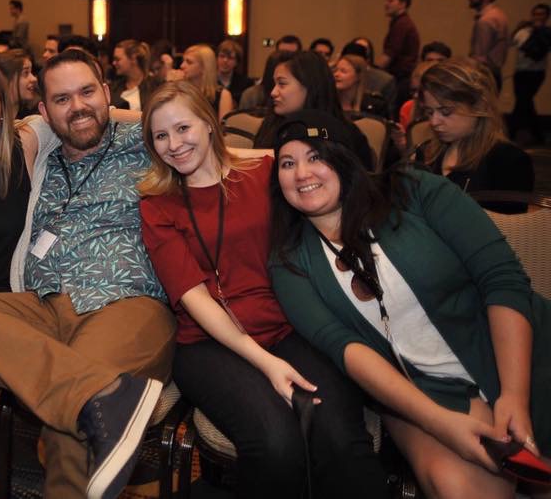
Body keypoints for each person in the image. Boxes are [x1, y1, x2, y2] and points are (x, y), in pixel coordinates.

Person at [0, 48, 175, 499]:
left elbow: (224, 150)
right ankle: (100, 396)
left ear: (107, 94)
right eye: (62, 99)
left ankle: (86, 400)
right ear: (43, 110)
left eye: (87, 92)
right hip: (43, 304)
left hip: (124, 302)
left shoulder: (146, 142)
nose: (77, 107)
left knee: (66, 425)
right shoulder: (36, 156)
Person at [268, 109, 551, 499]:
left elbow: (501, 279)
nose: (302, 174)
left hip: (521, 354)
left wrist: (514, 395)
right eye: (287, 163)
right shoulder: (290, 261)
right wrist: (442, 424)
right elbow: (346, 349)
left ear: (344, 156)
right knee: (463, 488)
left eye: (315, 156)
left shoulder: (414, 190)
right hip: (428, 392)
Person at [139, 82, 386, 497]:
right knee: (277, 444)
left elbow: (314, 167)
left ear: (211, 124)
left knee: (342, 439)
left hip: (288, 326)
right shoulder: (157, 204)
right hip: (207, 342)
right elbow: (195, 299)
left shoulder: (265, 175)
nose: (174, 144)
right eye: (160, 136)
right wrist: (267, 364)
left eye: (183, 128)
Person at [417, 59, 533, 211]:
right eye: (429, 112)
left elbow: (507, 230)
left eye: (446, 112)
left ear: (479, 106)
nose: (434, 121)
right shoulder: (426, 153)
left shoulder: (508, 161)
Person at [253, 52, 374, 169]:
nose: (273, 92)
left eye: (282, 83)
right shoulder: (271, 125)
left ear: (310, 86)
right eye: (274, 84)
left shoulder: (345, 134)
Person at [509, 3, 550, 144]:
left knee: (523, 102)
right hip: (521, 72)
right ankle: (538, 135)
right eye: (535, 14)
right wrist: (521, 28)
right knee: (524, 102)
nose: (538, 17)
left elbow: (538, 53)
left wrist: (538, 31)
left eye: (542, 14)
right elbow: (516, 43)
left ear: (547, 17)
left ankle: (511, 132)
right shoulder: (525, 31)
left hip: (536, 73)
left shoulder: (547, 32)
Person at [376, 0, 421, 111]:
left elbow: (390, 53)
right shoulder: (401, 23)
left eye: (391, 1)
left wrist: (373, 71)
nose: (386, 4)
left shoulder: (402, 24)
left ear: (403, 4)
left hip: (400, 79)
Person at [468, 0, 509, 91]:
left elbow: (479, 57)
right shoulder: (500, 15)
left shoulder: (486, 20)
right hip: (494, 73)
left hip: (485, 75)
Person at [173, 44, 233, 119]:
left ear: (204, 67)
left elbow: (223, 128)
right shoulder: (181, 91)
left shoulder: (223, 95)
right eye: (183, 61)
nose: (182, 66)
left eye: (189, 62)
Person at [333, 54, 390, 119]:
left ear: (358, 76)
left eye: (343, 71)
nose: (336, 74)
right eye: (335, 70)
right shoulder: (327, 101)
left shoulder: (374, 106)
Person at [0, 48, 39, 118]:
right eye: (26, 73)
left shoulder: (33, 118)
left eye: (31, 72)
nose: (34, 78)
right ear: (5, 78)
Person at [112, 39, 153, 111]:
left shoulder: (154, 87)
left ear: (133, 58)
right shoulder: (114, 88)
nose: (114, 63)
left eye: (117, 59)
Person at [216, 39, 251, 105]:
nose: (225, 60)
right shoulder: (209, 81)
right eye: (222, 56)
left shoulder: (246, 83)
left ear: (237, 62)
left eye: (230, 58)